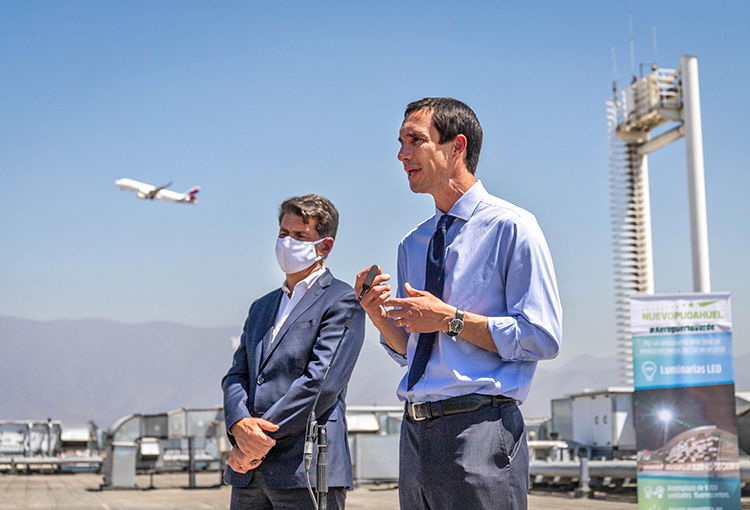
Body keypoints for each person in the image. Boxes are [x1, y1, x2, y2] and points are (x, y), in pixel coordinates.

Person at [356, 98, 562, 510]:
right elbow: (417, 351)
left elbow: (541, 337)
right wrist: (378, 315)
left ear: (456, 147)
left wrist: (450, 319)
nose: (401, 154)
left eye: (415, 140)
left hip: (480, 432)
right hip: (415, 436)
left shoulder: (513, 227)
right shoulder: (411, 244)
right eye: (400, 142)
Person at [223, 194, 365, 510]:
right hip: (251, 476)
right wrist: (238, 425)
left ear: (324, 247)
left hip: (305, 468)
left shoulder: (342, 300)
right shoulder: (261, 307)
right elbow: (237, 375)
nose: (288, 243)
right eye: (283, 234)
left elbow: (322, 384)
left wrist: (254, 441)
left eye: (300, 236)